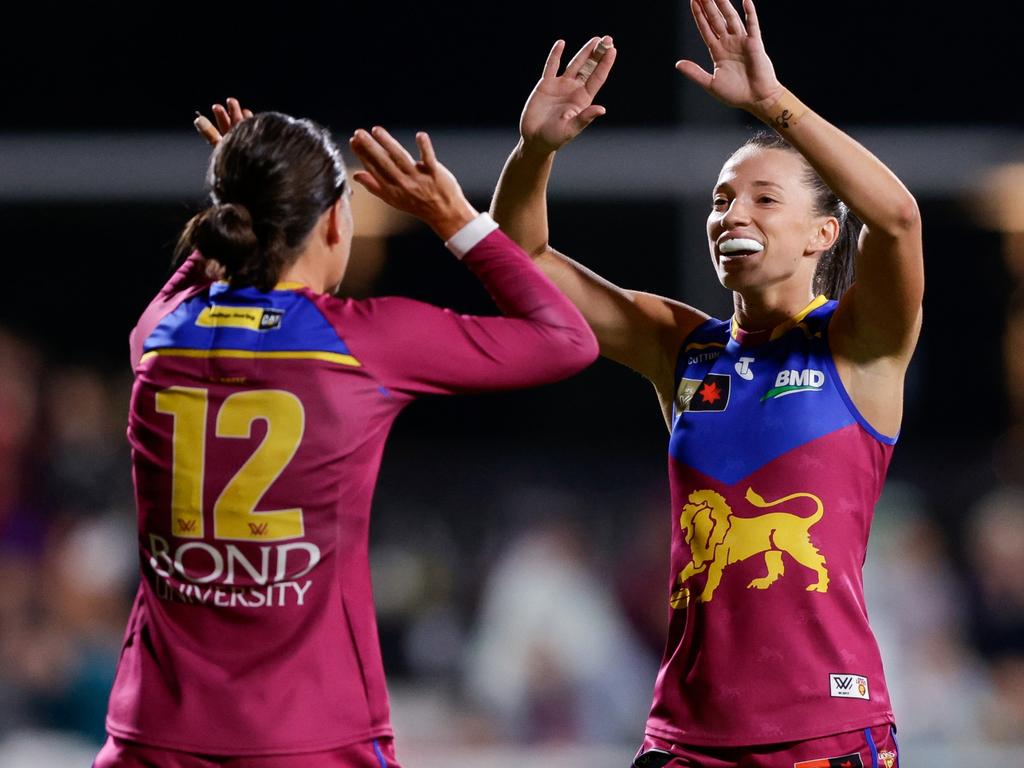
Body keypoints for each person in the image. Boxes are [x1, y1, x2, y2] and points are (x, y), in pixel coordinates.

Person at [93, 101, 598, 768]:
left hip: (153, 738)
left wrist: (238, 190)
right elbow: (566, 341)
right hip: (310, 741)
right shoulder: (360, 342)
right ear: (334, 221)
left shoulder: (158, 339)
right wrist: (455, 219)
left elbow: (190, 286)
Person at [490, 1, 921, 766]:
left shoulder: (858, 344)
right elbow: (519, 261)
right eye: (722, 198)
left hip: (822, 733)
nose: (730, 214)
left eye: (763, 197)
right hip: (685, 739)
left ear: (824, 233)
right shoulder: (682, 347)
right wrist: (534, 152)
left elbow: (895, 219)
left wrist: (772, 107)